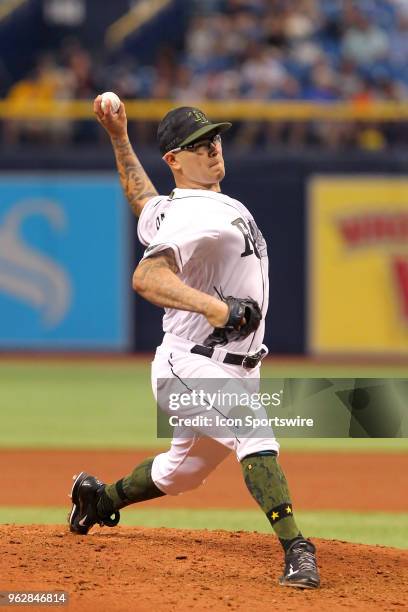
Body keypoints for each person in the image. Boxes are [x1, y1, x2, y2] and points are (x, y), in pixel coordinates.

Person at [68, 97, 320, 589]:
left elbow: (144, 202)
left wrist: (119, 137)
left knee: (179, 474)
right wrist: (216, 309)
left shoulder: (175, 209)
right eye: (197, 145)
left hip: (235, 367)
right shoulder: (194, 214)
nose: (212, 150)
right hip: (188, 365)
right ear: (174, 160)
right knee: (253, 432)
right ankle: (297, 548)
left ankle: (98, 499)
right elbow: (147, 276)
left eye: (214, 140)